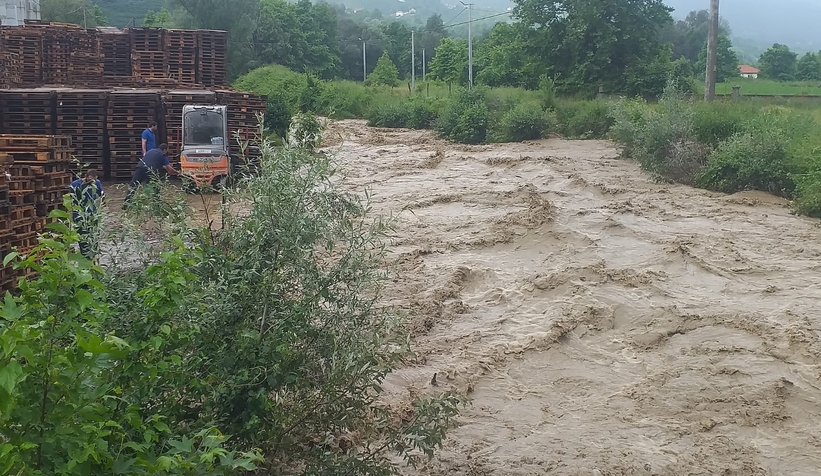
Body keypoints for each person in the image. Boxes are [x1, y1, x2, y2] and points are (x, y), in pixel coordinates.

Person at [69, 169, 105, 259]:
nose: (92, 182)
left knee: (94, 236)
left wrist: (102, 206)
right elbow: (71, 200)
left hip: (93, 214)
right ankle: (85, 257)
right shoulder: (75, 185)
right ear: (85, 176)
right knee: (83, 238)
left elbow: (101, 194)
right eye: (90, 180)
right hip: (79, 215)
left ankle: (94, 256)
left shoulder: (97, 183)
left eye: (94, 180)